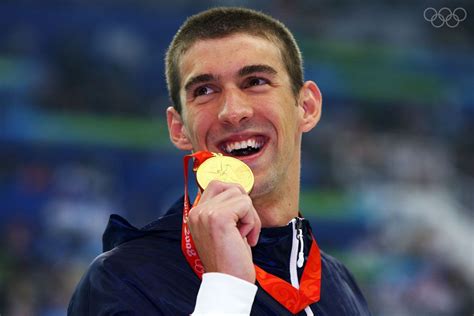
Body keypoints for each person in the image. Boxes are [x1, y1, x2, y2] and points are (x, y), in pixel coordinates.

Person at [68, 7, 371, 315]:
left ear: (306, 107)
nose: (232, 110)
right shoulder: (123, 281)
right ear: (179, 128)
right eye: (205, 90)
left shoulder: (338, 284)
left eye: (255, 81)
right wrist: (225, 289)